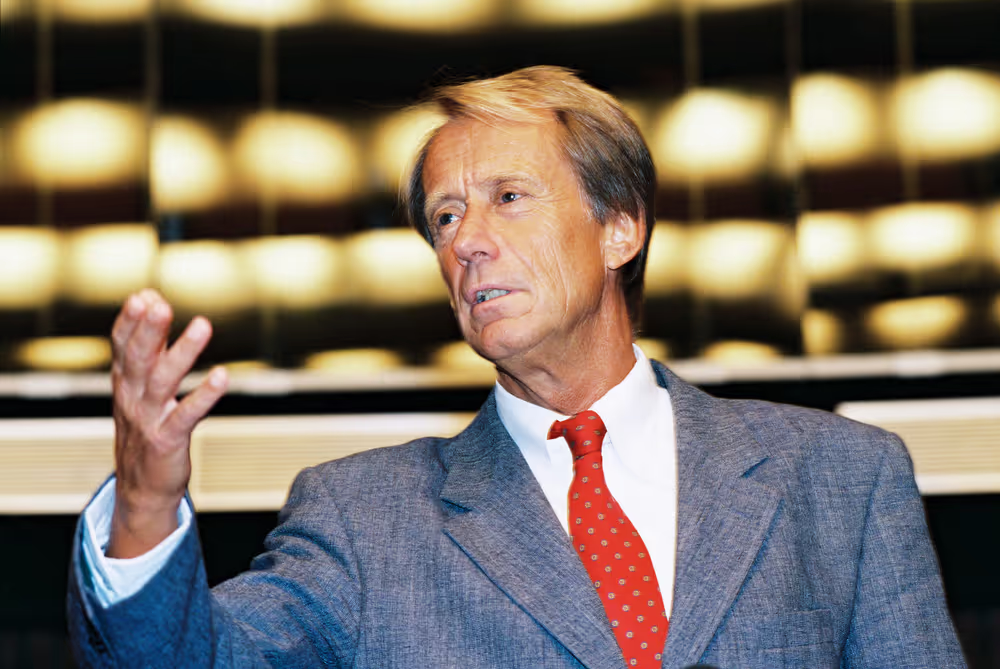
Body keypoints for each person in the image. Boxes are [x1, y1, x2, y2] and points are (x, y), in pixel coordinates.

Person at [68, 66, 965, 668]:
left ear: (621, 228)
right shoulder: (362, 517)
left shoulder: (841, 477)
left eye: (507, 198)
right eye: (447, 218)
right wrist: (145, 504)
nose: (470, 243)